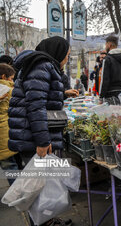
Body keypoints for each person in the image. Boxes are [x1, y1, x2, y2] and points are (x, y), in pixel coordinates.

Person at [8, 36, 76, 225]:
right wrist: (43, 141)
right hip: (32, 137)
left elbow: (38, 94)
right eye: (67, 55)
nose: (67, 59)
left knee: (41, 184)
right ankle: (42, 222)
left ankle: (47, 220)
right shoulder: (43, 65)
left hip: (30, 134)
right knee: (35, 187)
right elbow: (35, 107)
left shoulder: (42, 65)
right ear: (58, 52)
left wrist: (62, 92)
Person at [0, 63, 18, 186]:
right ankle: (18, 196)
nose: (12, 81)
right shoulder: (10, 91)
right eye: (11, 78)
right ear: (3, 76)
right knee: (10, 167)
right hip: (4, 135)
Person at [99, 35, 121, 104]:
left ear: (109, 45)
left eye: (106, 45)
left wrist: (101, 97)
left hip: (110, 95)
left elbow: (105, 79)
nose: (105, 47)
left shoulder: (107, 59)